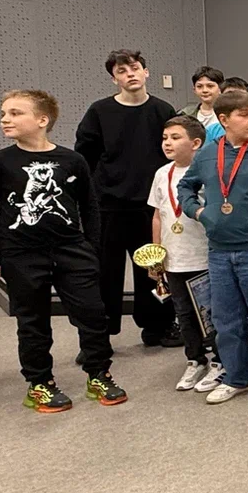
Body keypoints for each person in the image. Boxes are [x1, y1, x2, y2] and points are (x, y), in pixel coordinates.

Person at [0, 90, 127, 412]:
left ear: (42, 120)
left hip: (71, 250)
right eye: (3, 113)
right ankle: (39, 383)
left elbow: (90, 207)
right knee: (33, 322)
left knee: (93, 315)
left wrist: (92, 249)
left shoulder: (72, 160)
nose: (5, 119)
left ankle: (99, 374)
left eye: (15, 113)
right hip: (21, 254)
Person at [177, 89, 248, 406]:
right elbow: (185, 186)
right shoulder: (208, 153)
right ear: (224, 119)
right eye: (245, 115)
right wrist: (197, 211)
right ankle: (238, 377)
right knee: (226, 320)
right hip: (219, 251)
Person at [74, 49, 177, 346]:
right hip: (108, 206)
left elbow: (172, 154)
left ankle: (156, 327)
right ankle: (99, 336)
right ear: (114, 79)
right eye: (122, 71)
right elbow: (85, 157)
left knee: (153, 269)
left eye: (134, 68)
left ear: (146, 72)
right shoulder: (99, 111)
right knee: (104, 273)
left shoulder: (163, 110)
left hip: (150, 207)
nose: (130, 74)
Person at [149, 116, 222, 392]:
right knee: (183, 313)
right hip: (174, 259)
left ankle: (220, 360)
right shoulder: (161, 173)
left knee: (211, 312)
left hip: (203, 255)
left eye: (175, 137)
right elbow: (158, 215)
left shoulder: (208, 172)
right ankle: (195, 359)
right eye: (165, 138)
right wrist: (156, 254)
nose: (167, 143)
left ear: (196, 143)